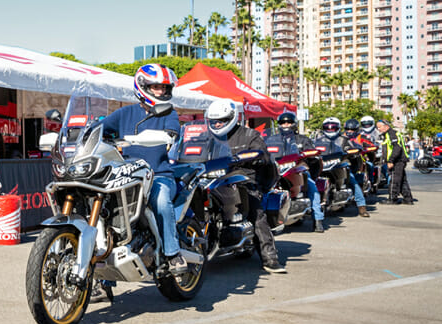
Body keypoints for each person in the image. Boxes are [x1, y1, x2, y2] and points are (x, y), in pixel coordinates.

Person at [101, 63, 187, 275]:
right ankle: (104, 281)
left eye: (165, 88)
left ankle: (172, 253)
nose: (162, 92)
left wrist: (167, 136)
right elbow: (99, 128)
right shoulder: (124, 113)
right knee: (107, 215)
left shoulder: (168, 113)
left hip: (158, 175)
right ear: (143, 87)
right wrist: (81, 133)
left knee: (160, 201)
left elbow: (172, 132)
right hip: (126, 176)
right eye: (157, 87)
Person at [205, 100, 286, 273]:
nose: (217, 124)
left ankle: (270, 258)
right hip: (211, 179)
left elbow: (263, 154)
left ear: (232, 118)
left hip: (243, 179)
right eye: (213, 121)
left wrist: (253, 156)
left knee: (255, 212)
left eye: (221, 120)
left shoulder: (249, 135)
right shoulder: (206, 137)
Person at [274, 112, 326, 233]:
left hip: (296, 170)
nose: (286, 125)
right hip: (276, 170)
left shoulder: (303, 139)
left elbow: (312, 152)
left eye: (288, 122)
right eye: (283, 122)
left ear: (294, 124)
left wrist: (309, 154)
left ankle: (317, 219)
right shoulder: (273, 139)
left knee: (312, 187)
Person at [316, 117, 369, 217]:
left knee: (353, 182)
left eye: (333, 128)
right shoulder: (318, 140)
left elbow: (354, 147)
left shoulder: (344, 139)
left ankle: (362, 207)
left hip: (340, 164)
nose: (330, 130)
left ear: (338, 128)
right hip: (324, 164)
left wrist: (353, 151)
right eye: (328, 128)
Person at [376, 119, 414, 205]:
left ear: (386, 126)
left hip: (397, 160)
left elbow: (397, 148)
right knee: (402, 179)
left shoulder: (391, 134)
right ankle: (408, 199)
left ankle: (392, 198)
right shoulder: (390, 134)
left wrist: (391, 160)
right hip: (399, 160)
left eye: (379, 127)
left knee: (394, 180)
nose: (378, 129)